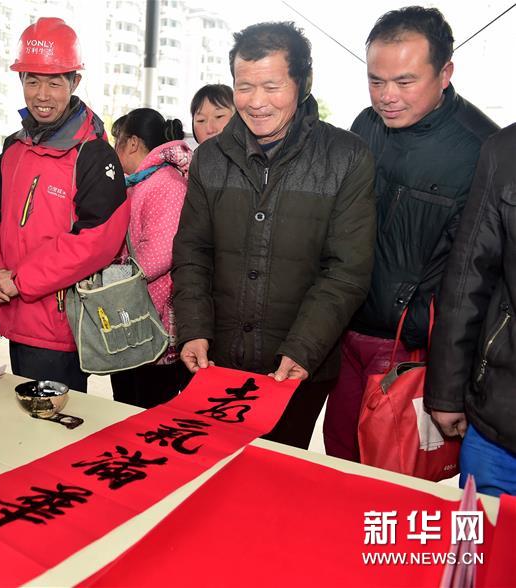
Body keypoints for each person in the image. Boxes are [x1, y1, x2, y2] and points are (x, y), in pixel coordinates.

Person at [172, 22, 376, 450]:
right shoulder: (210, 158)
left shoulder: (347, 157)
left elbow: (346, 270)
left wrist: (303, 347)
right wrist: (193, 328)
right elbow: (192, 251)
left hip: (297, 368)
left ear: (303, 83)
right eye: (244, 87)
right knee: (205, 468)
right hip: (215, 360)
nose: (256, 102)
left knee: (274, 474)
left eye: (272, 86)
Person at [323, 7, 499, 461]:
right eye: (375, 81)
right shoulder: (365, 125)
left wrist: (445, 368)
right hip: (345, 330)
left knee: (393, 472)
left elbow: (480, 275)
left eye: (404, 82)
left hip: (410, 347)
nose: (387, 97)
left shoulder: (485, 150)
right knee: (339, 457)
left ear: (445, 73)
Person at [0, 17, 129, 393]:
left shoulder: (93, 154)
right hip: (15, 315)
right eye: (32, 81)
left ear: (74, 82)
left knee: (57, 420)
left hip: (63, 326)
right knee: (24, 418)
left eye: (54, 82)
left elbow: (96, 240)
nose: (42, 95)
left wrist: (20, 280)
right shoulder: (14, 147)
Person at [425, 123, 516, 497]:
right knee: (479, 533)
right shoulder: (504, 151)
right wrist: (446, 393)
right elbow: (468, 278)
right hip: (499, 421)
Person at [109, 108, 192, 408]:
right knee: (125, 403)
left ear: (132, 143)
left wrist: (112, 278)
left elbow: (159, 253)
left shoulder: (166, 183)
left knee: (146, 410)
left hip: (153, 324)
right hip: (134, 316)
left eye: (117, 140)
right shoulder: (142, 181)